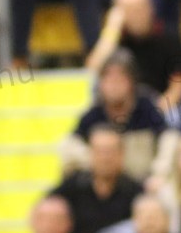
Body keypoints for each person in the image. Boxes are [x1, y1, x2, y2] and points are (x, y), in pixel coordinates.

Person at [63, 52, 172, 184]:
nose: (114, 85)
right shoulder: (94, 114)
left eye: (120, 79)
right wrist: (100, 158)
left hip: (143, 181)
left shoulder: (146, 108)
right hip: (106, 183)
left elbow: (169, 138)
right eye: (108, 79)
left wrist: (159, 173)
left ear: (132, 82)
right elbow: (70, 145)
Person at [85, 0, 181, 118]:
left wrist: (155, 112)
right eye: (130, 10)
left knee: (175, 116)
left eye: (141, 8)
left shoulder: (168, 38)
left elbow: (178, 86)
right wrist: (112, 28)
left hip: (158, 106)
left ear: (151, 8)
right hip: (119, 108)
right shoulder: (114, 41)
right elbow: (93, 69)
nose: (138, 15)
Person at [53, 127, 143, 233]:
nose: (105, 158)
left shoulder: (135, 191)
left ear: (122, 154)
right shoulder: (72, 186)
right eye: (100, 151)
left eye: (110, 151)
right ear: (90, 153)